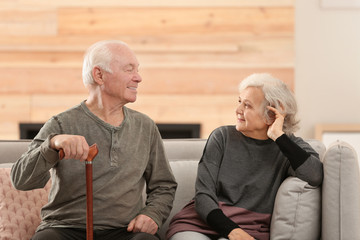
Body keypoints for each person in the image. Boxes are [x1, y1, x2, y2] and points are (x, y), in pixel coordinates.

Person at [10, 40, 177, 240]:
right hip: (65, 228)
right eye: (129, 69)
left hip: (126, 231)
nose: (138, 78)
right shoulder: (61, 124)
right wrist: (52, 144)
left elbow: (164, 185)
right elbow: (21, 180)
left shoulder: (145, 127)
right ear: (99, 75)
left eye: (137, 70)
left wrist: (152, 214)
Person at [166, 73, 323, 240]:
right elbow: (203, 195)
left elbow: (314, 175)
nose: (238, 110)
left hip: (251, 229)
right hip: (200, 224)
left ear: (271, 114)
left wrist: (279, 136)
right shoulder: (222, 137)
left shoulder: (288, 146)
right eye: (239, 101)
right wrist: (233, 231)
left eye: (247, 105)